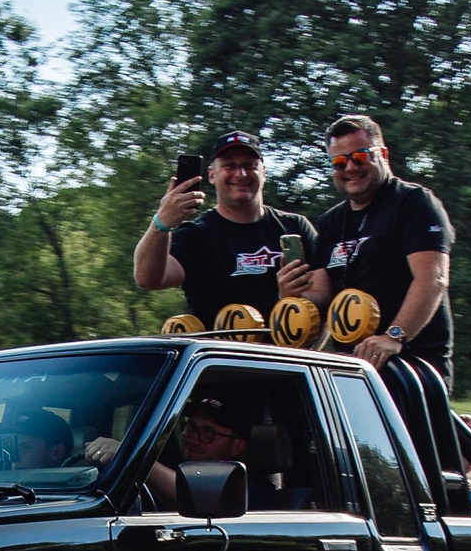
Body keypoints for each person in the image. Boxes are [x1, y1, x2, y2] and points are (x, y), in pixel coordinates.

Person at [299, 114, 454, 388]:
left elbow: (433, 279)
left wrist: (394, 337)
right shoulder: (331, 221)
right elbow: (320, 297)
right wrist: (289, 294)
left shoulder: (414, 202)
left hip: (410, 367)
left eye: (359, 156)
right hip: (353, 367)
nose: (349, 167)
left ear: (382, 154)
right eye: (338, 162)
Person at [133, 130, 317, 325]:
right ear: (212, 174)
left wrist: (289, 299)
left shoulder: (295, 226)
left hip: (282, 354)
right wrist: (161, 222)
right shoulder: (196, 234)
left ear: (263, 173)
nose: (241, 174)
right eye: (230, 166)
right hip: (219, 355)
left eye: (249, 165)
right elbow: (148, 279)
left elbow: (323, 298)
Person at [138, 395, 250, 513]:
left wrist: (138, 461)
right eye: (191, 426)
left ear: (237, 446)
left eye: (208, 432)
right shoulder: (163, 479)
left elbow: (201, 501)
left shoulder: (250, 493)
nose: (192, 438)